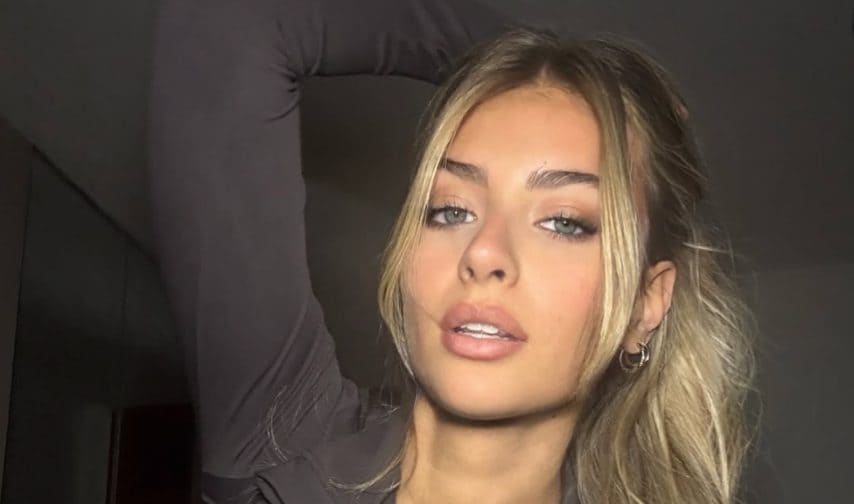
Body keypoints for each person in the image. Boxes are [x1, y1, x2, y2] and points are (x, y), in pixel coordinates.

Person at [147, 0, 760, 503]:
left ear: (646, 306)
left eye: (563, 222)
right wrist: (533, 61)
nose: (484, 252)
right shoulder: (285, 440)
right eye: (451, 210)